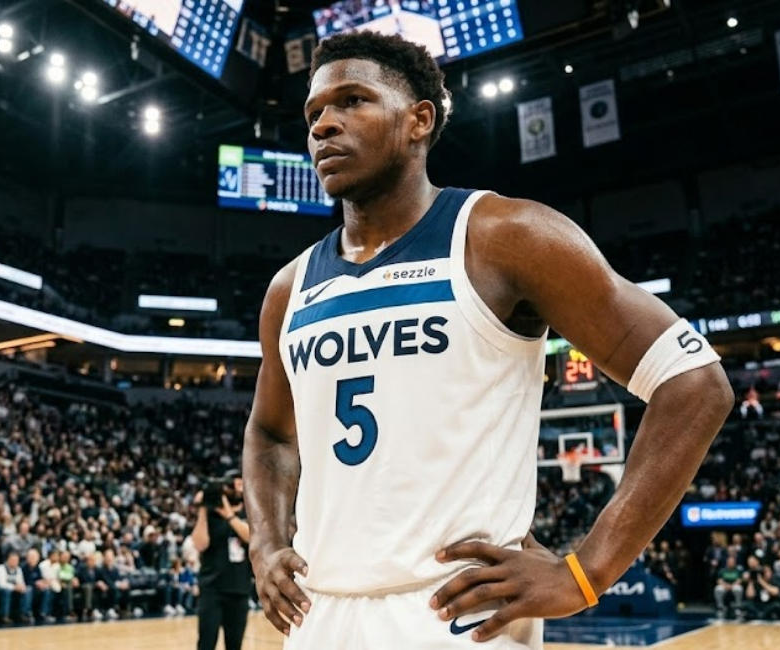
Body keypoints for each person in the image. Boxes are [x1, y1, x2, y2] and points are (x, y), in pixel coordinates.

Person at [241, 29, 732, 649]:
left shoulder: (505, 236)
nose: (323, 125)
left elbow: (693, 383)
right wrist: (265, 539)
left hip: (457, 613)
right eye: (314, 112)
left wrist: (587, 572)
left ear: (419, 120)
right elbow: (270, 432)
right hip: (321, 614)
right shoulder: (290, 288)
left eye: (352, 101)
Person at [192, 476, 251, 650]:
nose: (240, 489)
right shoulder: (209, 516)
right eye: (237, 484)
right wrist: (203, 509)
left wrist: (230, 516)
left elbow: (250, 537)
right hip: (212, 590)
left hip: (239, 589)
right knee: (206, 643)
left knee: (234, 644)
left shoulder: (248, 512)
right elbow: (200, 544)